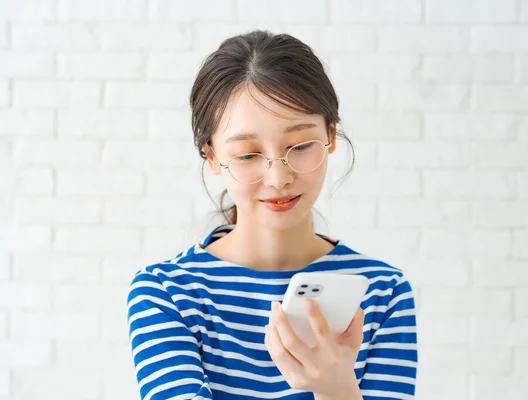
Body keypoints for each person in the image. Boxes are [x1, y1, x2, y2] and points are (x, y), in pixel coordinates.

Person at [127, 29, 418, 400]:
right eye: (248, 155)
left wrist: (336, 389)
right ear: (213, 157)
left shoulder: (382, 292)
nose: (279, 178)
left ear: (330, 136)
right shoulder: (166, 293)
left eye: (300, 145)